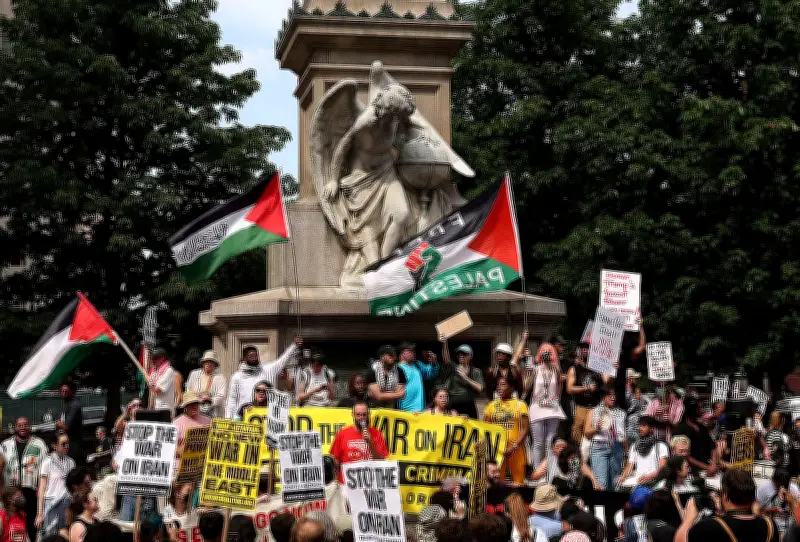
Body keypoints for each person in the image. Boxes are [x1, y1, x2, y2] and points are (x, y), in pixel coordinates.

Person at [677, 470, 777, 542]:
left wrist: (688, 519)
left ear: (725, 496)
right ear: (753, 497)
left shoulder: (709, 527)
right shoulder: (770, 526)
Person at [226, 337, 302, 419]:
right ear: (243, 358)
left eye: (256, 355)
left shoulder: (267, 370)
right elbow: (232, 399)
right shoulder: (237, 376)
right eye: (251, 356)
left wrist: (294, 345)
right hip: (244, 416)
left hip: (265, 415)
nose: (254, 358)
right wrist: (228, 418)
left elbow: (283, 360)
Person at [0, 416, 47, 542]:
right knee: (10, 522)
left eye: (25, 424)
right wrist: (2, 490)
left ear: (29, 426)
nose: (22, 427)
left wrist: (40, 488)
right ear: (15, 427)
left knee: (31, 523)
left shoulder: (39, 444)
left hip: (30, 491)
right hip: (11, 491)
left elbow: (44, 469)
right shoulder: (5, 445)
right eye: (19, 425)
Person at [484, 377, 530, 484]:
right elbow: (484, 427)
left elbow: (525, 428)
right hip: (498, 451)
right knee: (497, 482)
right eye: (498, 385)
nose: (499, 387)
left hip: (516, 449)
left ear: (511, 388)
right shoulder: (491, 405)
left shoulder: (520, 404)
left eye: (503, 384)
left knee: (518, 483)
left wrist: (514, 446)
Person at [527, 343, 566, 467]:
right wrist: (528, 372)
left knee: (550, 442)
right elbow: (527, 387)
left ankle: (549, 469)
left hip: (552, 408)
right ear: (539, 353)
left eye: (549, 352)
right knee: (538, 442)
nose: (546, 354)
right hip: (537, 407)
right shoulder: (535, 369)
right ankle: (537, 470)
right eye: (544, 351)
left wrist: (556, 400)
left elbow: (559, 387)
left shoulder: (556, 370)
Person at [329, 402, 389, 481]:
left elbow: (381, 461)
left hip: (370, 481)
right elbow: (335, 460)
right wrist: (335, 480)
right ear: (353, 415)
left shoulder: (376, 434)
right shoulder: (342, 434)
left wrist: (370, 442)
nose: (361, 418)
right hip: (347, 482)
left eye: (364, 415)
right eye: (358, 415)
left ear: (369, 415)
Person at [584, 387, 625, 490]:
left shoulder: (621, 413)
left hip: (616, 447)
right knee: (601, 484)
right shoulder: (593, 411)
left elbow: (623, 436)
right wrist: (596, 428)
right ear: (603, 397)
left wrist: (626, 450)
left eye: (614, 395)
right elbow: (586, 432)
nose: (613, 398)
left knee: (616, 484)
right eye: (610, 395)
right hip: (599, 447)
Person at [36, 433, 75, 538]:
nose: (67, 446)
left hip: (66, 502)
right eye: (63, 444)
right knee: (50, 536)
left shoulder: (71, 462)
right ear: (54, 445)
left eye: (68, 443)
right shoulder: (46, 462)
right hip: (51, 502)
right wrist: (40, 514)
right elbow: (41, 488)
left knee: (65, 533)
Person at [673, 397, 720, 477]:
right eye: (698, 408)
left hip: (709, 468)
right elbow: (685, 455)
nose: (701, 410)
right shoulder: (680, 429)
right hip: (690, 470)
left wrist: (713, 465)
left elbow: (713, 447)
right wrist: (707, 467)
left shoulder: (702, 428)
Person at [617, 416, 669, 488]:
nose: (640, 428)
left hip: (655, 482)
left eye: (644, 426)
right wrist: (623, 476)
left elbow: (662, 469)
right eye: (640, 425)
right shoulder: (634, 446)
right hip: (639, 481)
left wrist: (649, 476)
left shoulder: (661, 446)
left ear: (652, 428)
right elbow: (630, 465)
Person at [438, 341, 485, 419]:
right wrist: (444, 343)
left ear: (470, 356)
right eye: (459, 354)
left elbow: (480, 388)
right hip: (453, 405)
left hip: (469, 405)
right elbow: (446, 360)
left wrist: (466, 378)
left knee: (471, 425)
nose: (461, 355)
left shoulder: (475, 371)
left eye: (464, 353)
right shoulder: (454, 368)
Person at [566, 347, 603, 445]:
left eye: (588, 348)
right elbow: (569, 389)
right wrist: (587, 388)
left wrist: (613, 367)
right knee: (577, 435)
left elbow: (607, 382)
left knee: (595, 433)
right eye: (583, 347)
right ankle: (579, 453)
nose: (585, 350)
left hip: (596, 407)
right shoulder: (574, 368)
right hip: (580, 407)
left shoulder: (599, 368)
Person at [396, 342, 440, 413]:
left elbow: (430, 374)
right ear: (403, 353)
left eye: (414, 351)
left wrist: (434, 363)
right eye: (411, 351)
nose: (414, 353)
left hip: (420, 410)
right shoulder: (397, 368)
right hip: (405, 410)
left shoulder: (417, 364)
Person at [755, 468, 800, 535]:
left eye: (785, 485)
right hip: (770, 527)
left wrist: (792, 502)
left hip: (788, 529)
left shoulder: (794, 489)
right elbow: (756, 512)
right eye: (779, 485)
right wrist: (770, 510)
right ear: (773, 480)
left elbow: (798, 517)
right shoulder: (763, 488)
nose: (782, 488)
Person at [184, 350, 227, 417]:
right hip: (195, 411)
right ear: (203, 363)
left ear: (215, 364)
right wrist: (197, 401)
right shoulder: (194, 374)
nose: (208, 363)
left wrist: (210, 401)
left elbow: (221, 396)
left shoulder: (221, 378)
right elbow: (188, 391)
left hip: (213, 414)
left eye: (211, 362)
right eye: (206, 361)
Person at [56, 382, 83, 464]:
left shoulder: (75, 405)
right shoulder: (65, 405)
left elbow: (66, 426)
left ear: (72, 392)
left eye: (66, 391)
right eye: (62, 391)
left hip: (73, 444)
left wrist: (59, 424)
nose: (63, 393)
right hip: (64, 442)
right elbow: (59, 423)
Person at [146, 348, 178, 416]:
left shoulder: (169, 370)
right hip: (156, 409)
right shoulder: (154, 372)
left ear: (162, 358)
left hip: (165, 409)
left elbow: (157, 390)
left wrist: (150, 384)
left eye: (155, 358)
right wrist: (150, 408)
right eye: (152, 358)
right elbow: (152, 393)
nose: (153, 360)